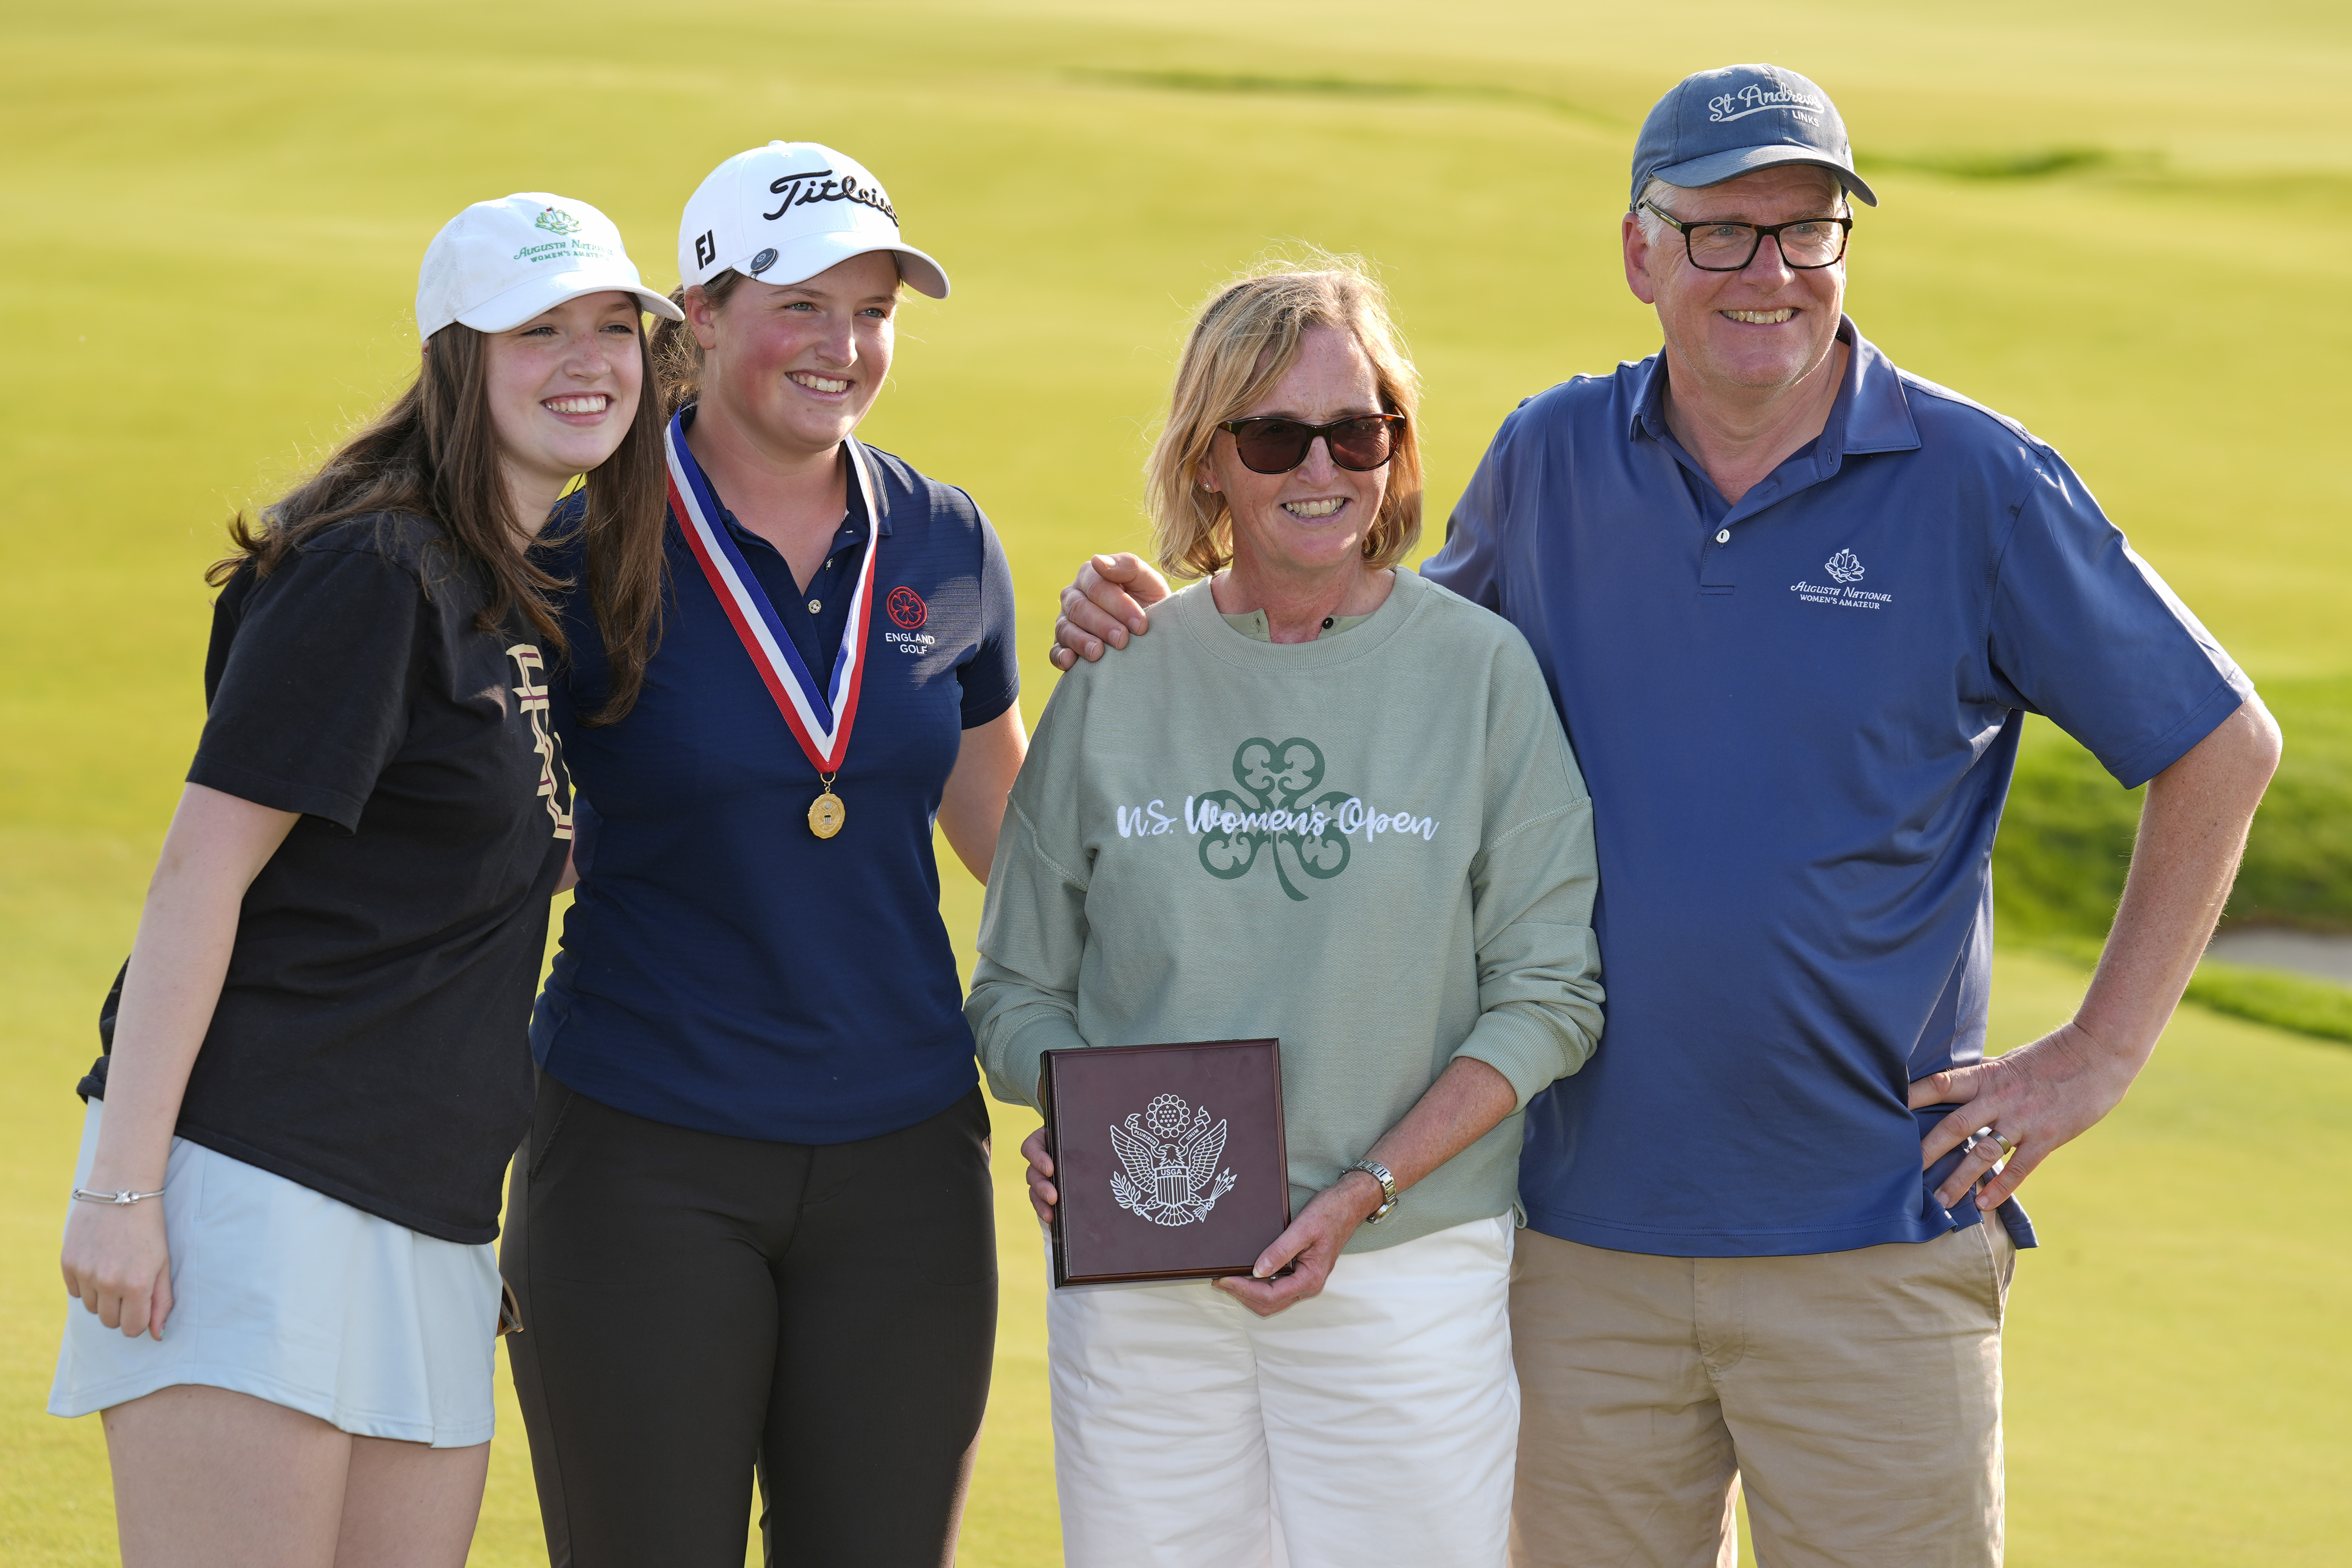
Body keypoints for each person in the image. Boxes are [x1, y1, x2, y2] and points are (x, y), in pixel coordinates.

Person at [1051, 63, 2281, 1568]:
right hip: (1579, 1253)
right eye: (1722, 231)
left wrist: (2096, 1055)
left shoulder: (1976, 483)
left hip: (1868, 1248)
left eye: (1808, 229)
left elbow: (2219, 746)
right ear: (1640, 252)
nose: (1769, 271)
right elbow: (1368, 683)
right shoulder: (1554, 458)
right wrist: (1160, 617)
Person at [50, 193, 679, 1567]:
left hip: (435, 1215)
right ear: (460, 357)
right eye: (539, 331)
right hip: (265, 1189)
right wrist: (122, 1188)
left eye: (611, 327)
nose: (588, 360)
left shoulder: (519, 586)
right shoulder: (372, 567)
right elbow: (195, 878)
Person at [970, 261, 1605, 1568]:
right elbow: (1014, 990)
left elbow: (1551, 996)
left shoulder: (1481, 675)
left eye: (1358, 428)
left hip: (1409, 1269)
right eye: (1272, 435)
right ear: (1209, 462)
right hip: (1147, 1281)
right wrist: (1087, 1119)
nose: (1321, 467)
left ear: (1397, 445)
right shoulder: (1119, 672)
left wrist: (1364, 1192)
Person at [499, 141, 1026, 1568]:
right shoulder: (579, 543)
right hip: (643, 1147)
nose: (842, 346)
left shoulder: (946, 536)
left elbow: (1018, 849)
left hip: (904, 1159)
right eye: (801, 303)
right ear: (705, 313)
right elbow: (495, 842)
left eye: (873, 309)